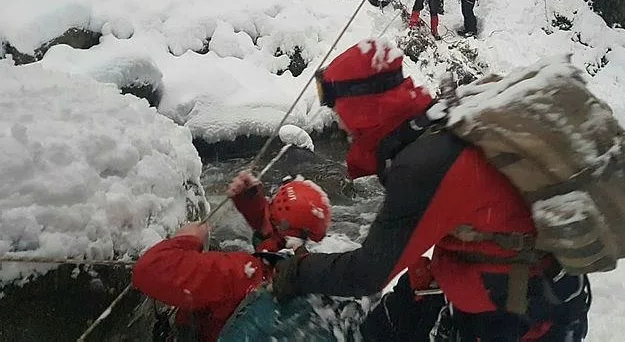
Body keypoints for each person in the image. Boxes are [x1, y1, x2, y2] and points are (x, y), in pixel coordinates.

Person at [271, 40, 591, 342]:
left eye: (339, 112)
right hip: (530, 291)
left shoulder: (422, 165)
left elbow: (368, 273)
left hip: (524, 319)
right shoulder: (435, 124)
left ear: (362, 110)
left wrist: (298, 271)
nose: (340, 126)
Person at [132, 172, 332, 342]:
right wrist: (255, 209)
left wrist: (187, 239)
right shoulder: (300, 271)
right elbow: (274, 243)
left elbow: (149, 269)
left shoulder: (238, 273)